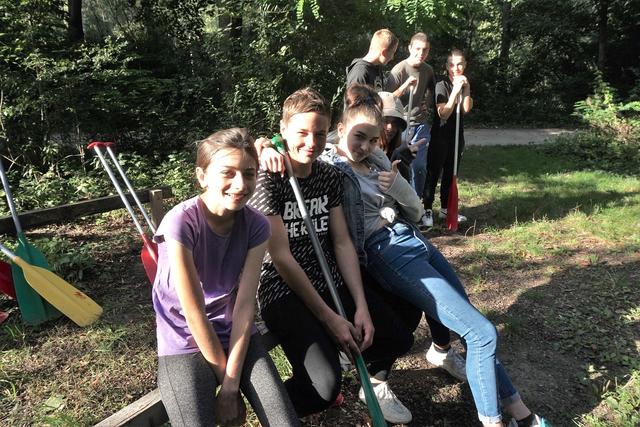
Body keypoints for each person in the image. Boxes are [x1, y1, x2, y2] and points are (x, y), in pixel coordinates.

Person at [320, 85, 548, 427]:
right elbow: (298, 151)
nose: (365, 146)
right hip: (388, 253)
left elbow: (414, 210)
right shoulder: (331, 164)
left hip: (413, 239)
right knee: (482, 333)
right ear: (341, 130)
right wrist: (267, 148)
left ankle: (520, 413)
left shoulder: (377, 159)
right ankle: (496, 421)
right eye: (358, 137)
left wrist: (396, 185)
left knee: (472, 323)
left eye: (373, 139)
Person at [249, 87, 415, 424]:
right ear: (282, 130)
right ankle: (273, 407)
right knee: (323, 388)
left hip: (328, 278)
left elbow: (341, 243)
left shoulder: (328, 175)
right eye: (302, 133)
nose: (312, 142)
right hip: (283, 289)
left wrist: (361, 306)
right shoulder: (268, 179)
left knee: (397, 335)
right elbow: (281, 257)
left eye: (320, 133)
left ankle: (342, 359)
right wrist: (330, 319)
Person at [151, 128, 299, 427]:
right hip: (184, 337)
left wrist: (230, 387)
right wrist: (229, 384)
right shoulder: (180, 222)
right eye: (227, 173)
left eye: (249, 173)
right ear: (202, 176)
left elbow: (245, 305)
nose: (240, 184)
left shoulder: (257, 225)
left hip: (234, 330)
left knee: (285, 421)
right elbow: (193, 313)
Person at [385, 32, 437, 227]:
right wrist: (405, 86)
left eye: (425, 50)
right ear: (410, 48)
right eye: (417, 49)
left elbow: (433, 90)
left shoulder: (428, 70)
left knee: (420, 167)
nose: (421, 53)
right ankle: (404, 208)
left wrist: (428, 105)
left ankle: (418, 209)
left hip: (420, 123)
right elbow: (387, 99)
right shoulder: (398, 70)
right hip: (401, 125)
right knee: (403, 165)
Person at [424, 48, 473, 224]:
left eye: (459, 63)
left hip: (456, 137)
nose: (456, 67)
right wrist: (455, 91)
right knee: (433, 172)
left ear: (465, 65)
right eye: (452, 64)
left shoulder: (464, 83)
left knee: (451, 173)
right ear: (446, 66)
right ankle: (427, 209)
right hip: (440, 136)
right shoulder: (441, 84)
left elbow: (466, 109)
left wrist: (465, 90)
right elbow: (443, 113)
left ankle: (446, 209)